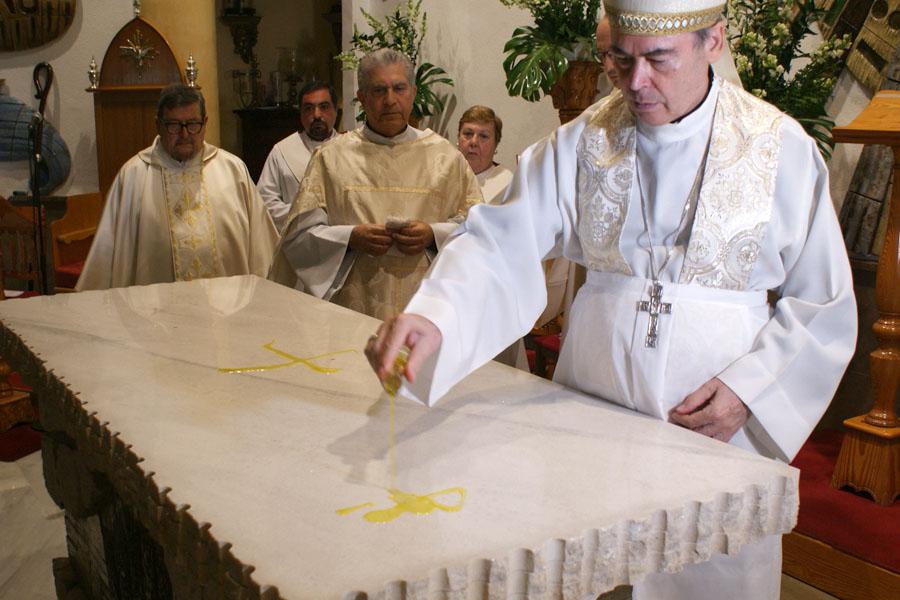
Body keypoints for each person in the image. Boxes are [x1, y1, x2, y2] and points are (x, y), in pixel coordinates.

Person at [366, 1, 857, 598]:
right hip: (591, 417)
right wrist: (435, 318)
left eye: (658, 59)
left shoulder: (782, 150)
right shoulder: (582, 141)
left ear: (715, 41)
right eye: (619, 60)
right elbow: (499, 245)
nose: (636, 83)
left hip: (719, 431)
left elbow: (823, 303)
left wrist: (750, 393)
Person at [269, 48, 482, 320]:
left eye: (399, 88)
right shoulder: (331, 158)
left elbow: (478, 229)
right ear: (362, 98)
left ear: (413, 93)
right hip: (351, 312)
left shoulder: (447, 158)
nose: (390, 100)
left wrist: (433, 234)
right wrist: (349, 238)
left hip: (426, 313)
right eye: (379, 90)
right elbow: (298, 237)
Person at [77, 85, 278, 291]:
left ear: (205, 123)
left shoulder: (233, 170)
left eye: (192, 124)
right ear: (158, 125)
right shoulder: (133, 175)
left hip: (227, 309)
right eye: (173, 125)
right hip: (157, 313)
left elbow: (263, 250)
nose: (184, 134)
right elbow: (107, 258)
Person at [257, 81, 339, 231]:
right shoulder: (282, 151)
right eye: (308, 108)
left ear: (336, 110)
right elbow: (265, 203)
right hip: (297, 241)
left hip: (343, 242)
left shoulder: (347, 149)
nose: (316, 115)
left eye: (324, 107)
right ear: (300, 113)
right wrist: (309, 216)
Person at [457, 105, 512, 204]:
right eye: (468, 134)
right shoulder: (443, 174)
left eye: (483, 136)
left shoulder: (507, 185)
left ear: (496, 144)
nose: (473, 142)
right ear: (458, 139)